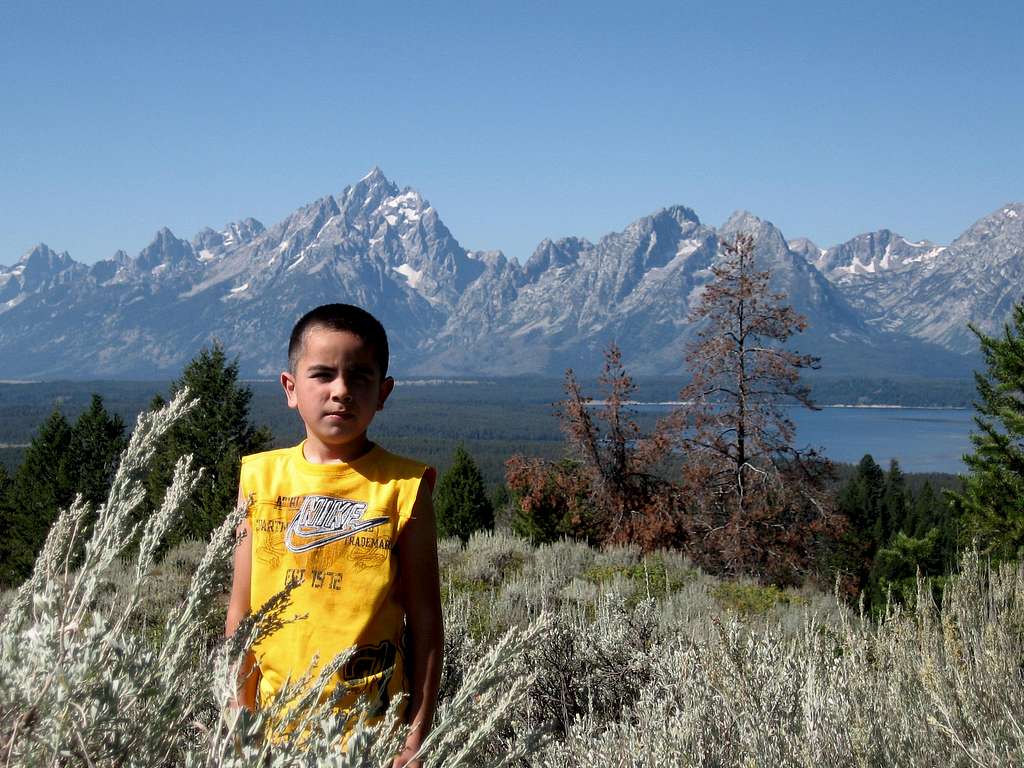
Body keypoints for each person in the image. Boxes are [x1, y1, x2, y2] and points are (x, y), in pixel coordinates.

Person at [225, 303, 442, 767]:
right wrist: (237, 716)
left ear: (382, 392)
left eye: (359, 377)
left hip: (372, 738)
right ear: (290, 388)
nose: (341, 391)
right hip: (270, 732)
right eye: (322, 374)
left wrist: (415, 737)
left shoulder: (404, 488)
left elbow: (425, 623)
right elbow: (241, 611)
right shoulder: (259, 479)